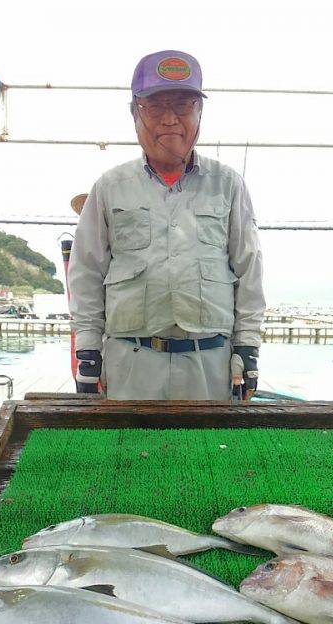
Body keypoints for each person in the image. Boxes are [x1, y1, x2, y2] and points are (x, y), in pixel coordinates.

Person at [68, 50, 265, 401]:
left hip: (209, 362)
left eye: (184, 106)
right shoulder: (109, 187)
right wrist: (87, 351)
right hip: (130, 362)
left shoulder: (228, 185)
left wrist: (247, 347)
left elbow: (249, 268)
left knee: (208, 455)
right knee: (126, 454)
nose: (170, 120)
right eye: (155, 107)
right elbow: (86, 272)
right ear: (134, 115)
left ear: (200, 114)